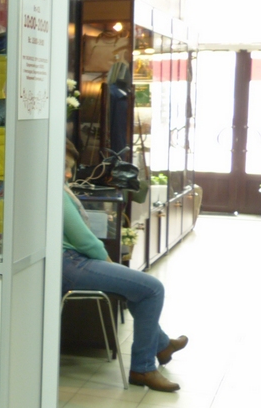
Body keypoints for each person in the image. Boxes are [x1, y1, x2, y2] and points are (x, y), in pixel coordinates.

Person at [63, 140, 187, 391]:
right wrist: (107, 259)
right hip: (69, 264)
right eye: (64, 166)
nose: (67, 174)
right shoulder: (55, 193)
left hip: (67, 262)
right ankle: (143, 368)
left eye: (70, 168)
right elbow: (83, 240)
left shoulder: (46, 188)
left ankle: (162, 345)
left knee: (139, 289)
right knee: (152, 289)